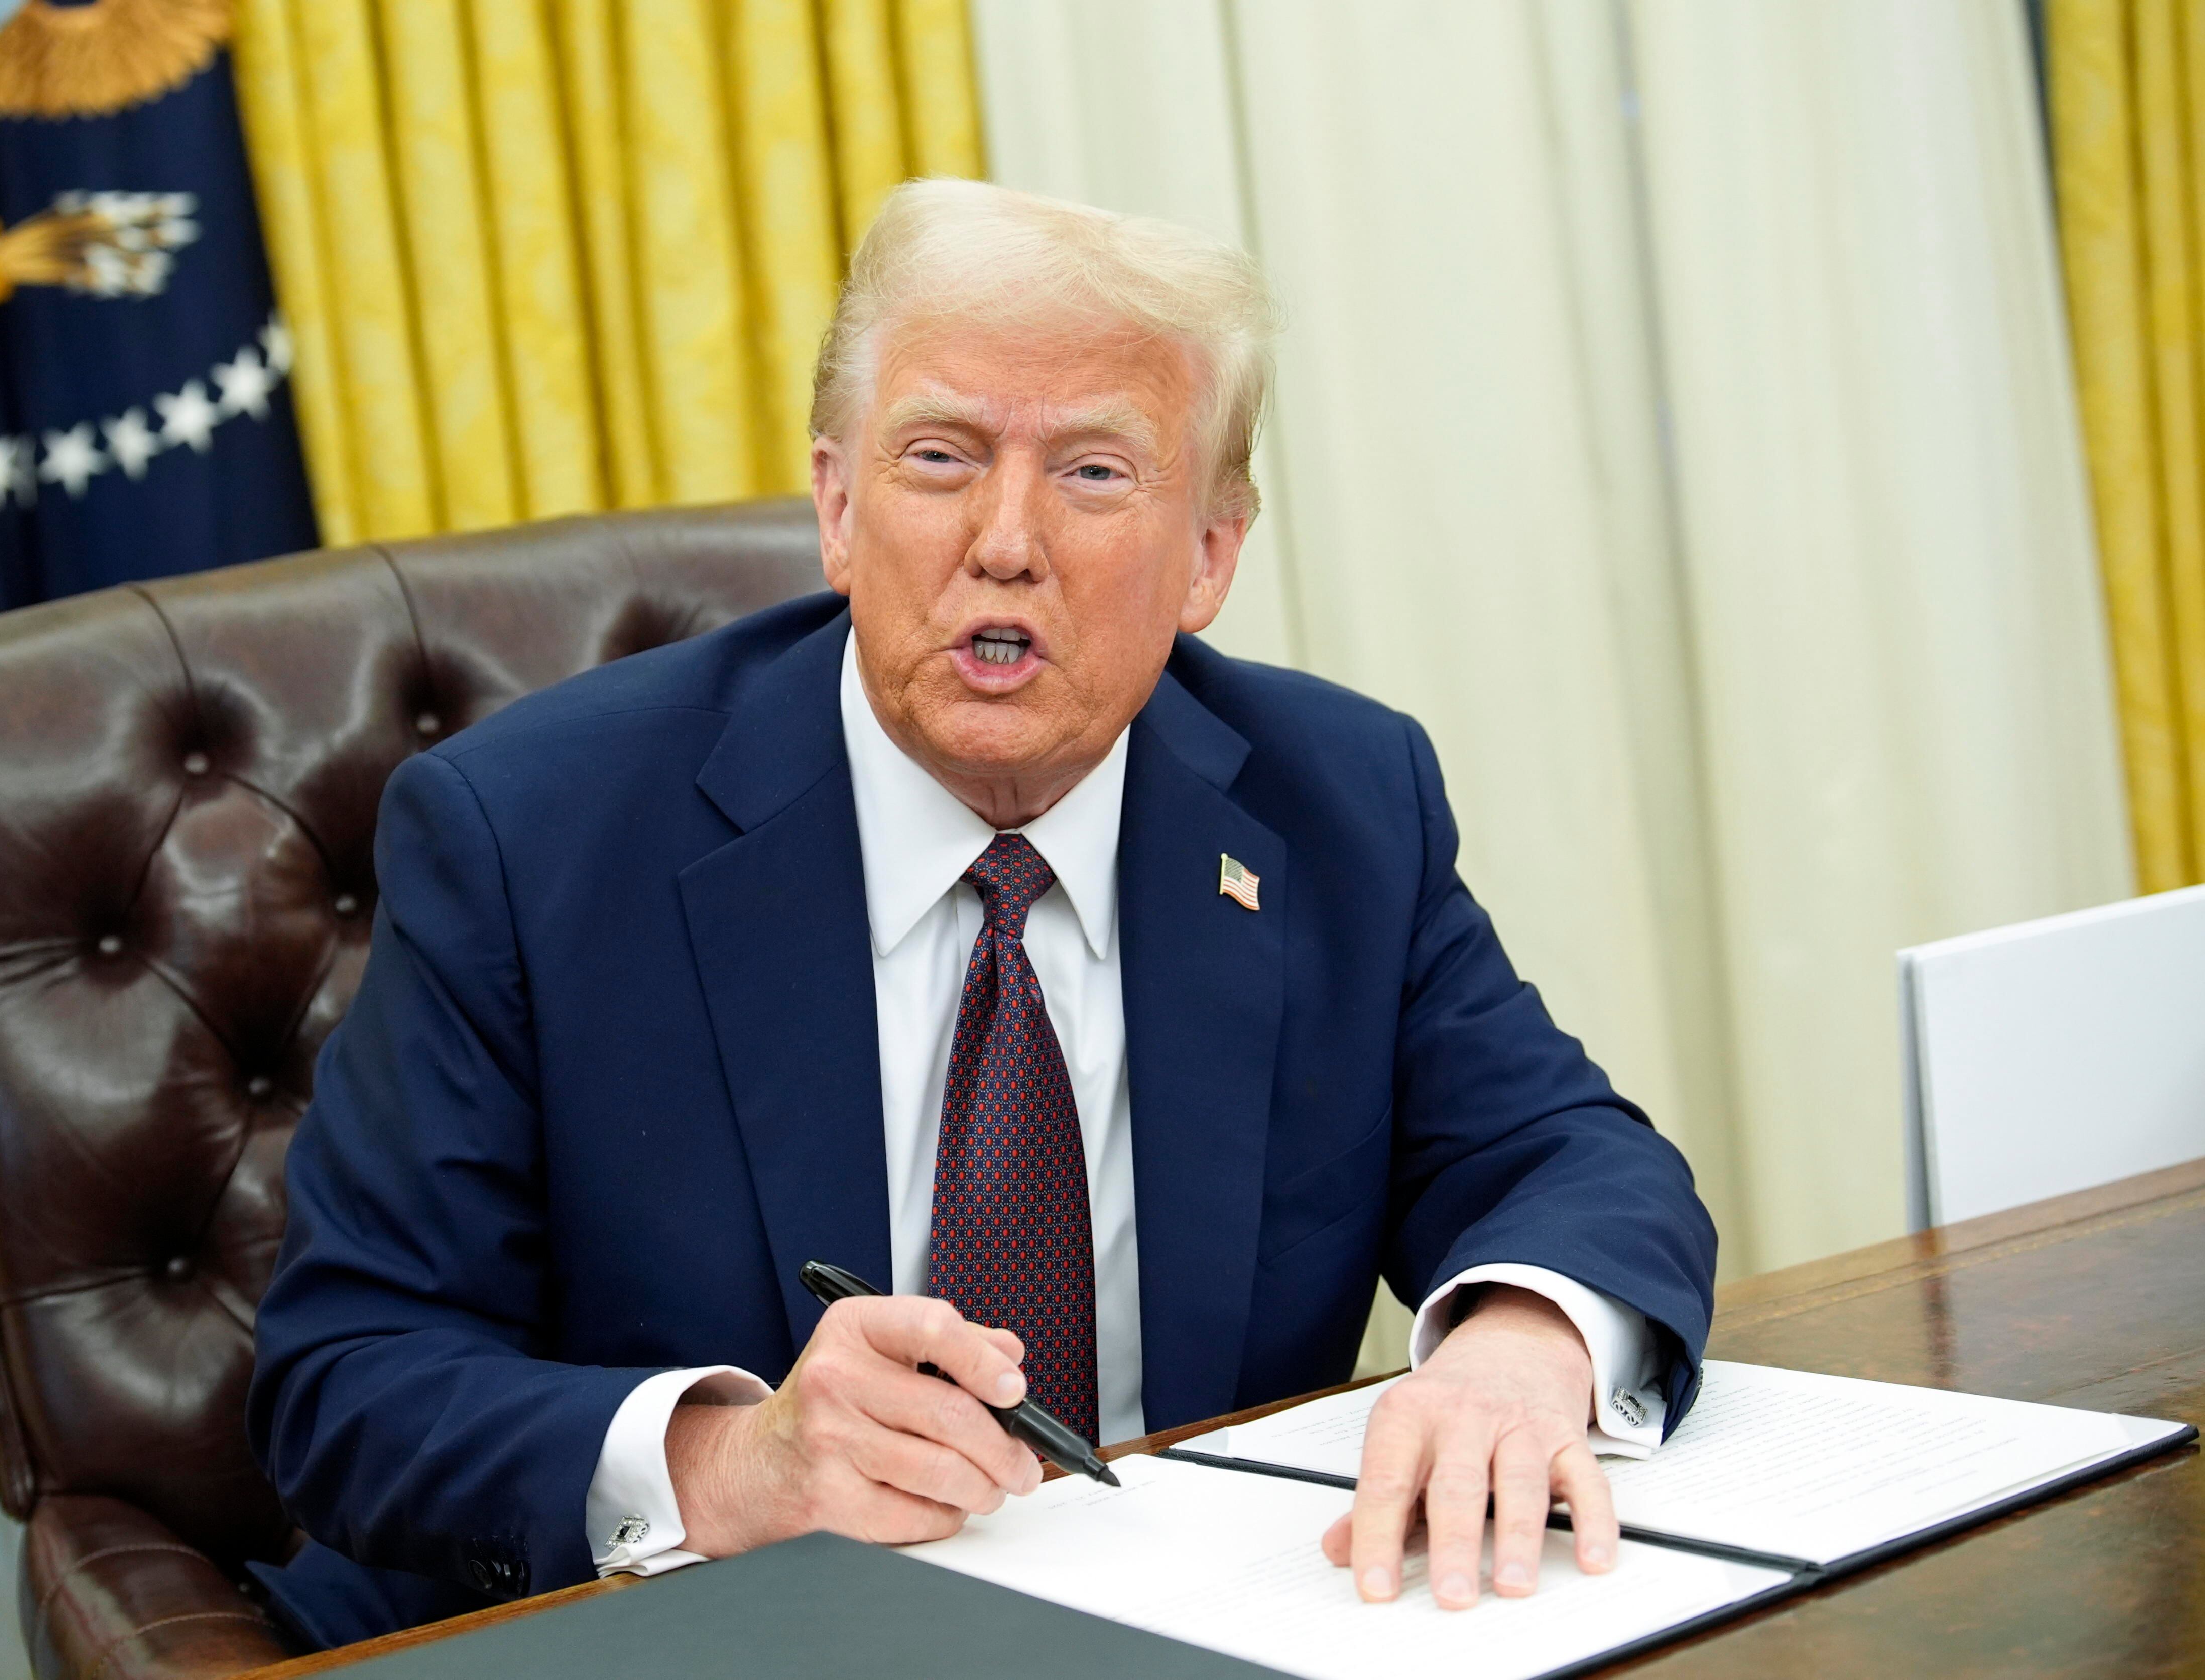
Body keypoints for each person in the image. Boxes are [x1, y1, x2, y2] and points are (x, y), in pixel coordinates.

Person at [247, 180, 1717, 1650]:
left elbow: (1565, 1154)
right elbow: (346, 1376)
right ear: (835, 506)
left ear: (1209, 551)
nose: (1003, 542)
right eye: (939, 457)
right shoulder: (528, 835)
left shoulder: (1334, 803)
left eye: (1091, 474)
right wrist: (727, 1466)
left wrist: (1519, 1348)